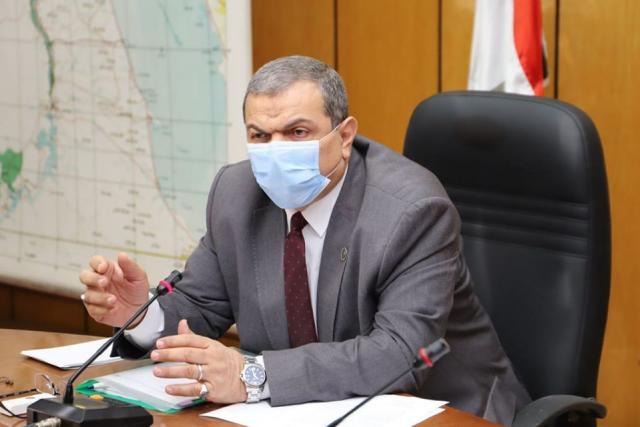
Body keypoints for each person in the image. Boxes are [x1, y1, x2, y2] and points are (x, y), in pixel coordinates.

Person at [80, 55, 529, 424]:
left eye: (297, 132)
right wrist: (141, 314)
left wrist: (253, 375)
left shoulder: (411, 210)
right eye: (260, 135)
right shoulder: (235, 194)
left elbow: (400, 353)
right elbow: (200, 306)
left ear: (345, 136)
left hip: (446, 413)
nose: (276, 151)